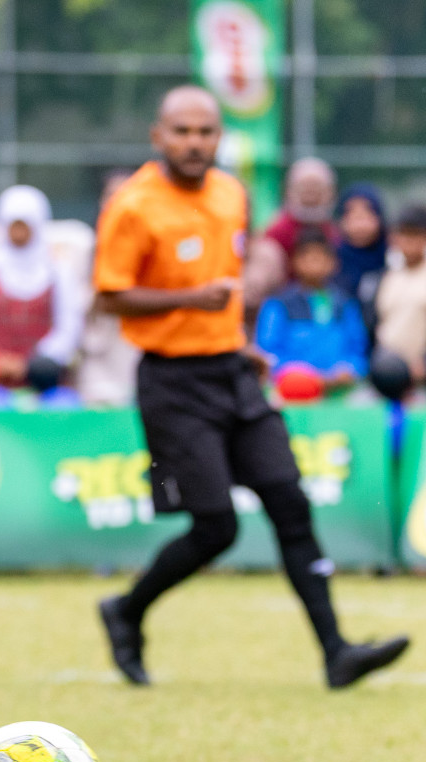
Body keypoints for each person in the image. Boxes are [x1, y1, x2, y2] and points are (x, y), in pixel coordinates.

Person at [93, 85, 407, 691]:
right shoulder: (132, 206)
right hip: (171, 382)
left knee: (290, 501)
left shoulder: (231, 195)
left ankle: (337, 653)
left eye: (205, 132)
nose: (194, 142)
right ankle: (126, 611)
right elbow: (109, 296)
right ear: (158, 136)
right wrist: (190, 301)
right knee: (216, 527)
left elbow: (224, 290)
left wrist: (240, 344)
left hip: (232, 373)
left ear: (219, 138)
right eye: (181, 131)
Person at [0, 184, 82, 386]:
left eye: (24, 225)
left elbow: (69, 327)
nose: (18, 231)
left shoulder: (57, 270)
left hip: (45, 381)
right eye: (13, 224)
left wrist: (30, 365)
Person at [254, 229, 367, 390]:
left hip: (340, 394)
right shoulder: (278, 305)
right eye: (307, 257)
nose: (314, 262)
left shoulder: (345, 304)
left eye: (320, 257)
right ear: (294, 262)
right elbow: (268, 353)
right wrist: (303, 377)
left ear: (333, 262)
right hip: (293, 394)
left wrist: (349, 369)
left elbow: (358, 349)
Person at [77, 168, 141, 407]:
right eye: (111, 197)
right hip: (97, 354)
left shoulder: (151, 248)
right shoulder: (86, 248)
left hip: (136, 352)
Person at [246, 158, 340, 308]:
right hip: (280, 299)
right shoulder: (278, 230)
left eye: (317, 188)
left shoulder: (333, 231)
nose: (311, 194)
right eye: (305, 188)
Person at [372, 205, 426, 383]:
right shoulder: (388, 276)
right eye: (403, 234)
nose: (408, 241)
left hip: (419, 374)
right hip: (388, 374)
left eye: (415, 234)